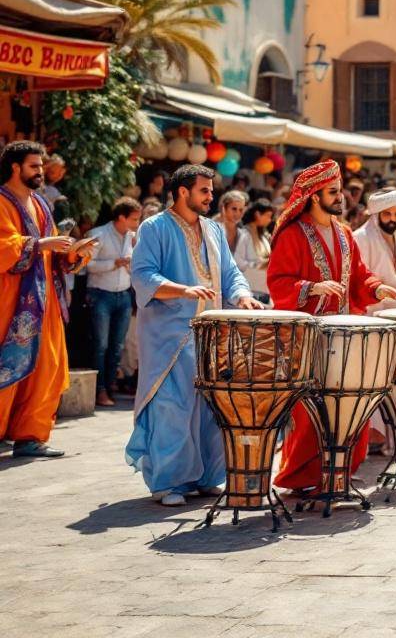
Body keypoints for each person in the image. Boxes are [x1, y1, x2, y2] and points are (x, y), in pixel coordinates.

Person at [127, 165, 263, 505]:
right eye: (204, 190)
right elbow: (143, 275)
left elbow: (230, 273)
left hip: (210, 334)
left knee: (209, 408)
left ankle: (204, 476)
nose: (210, 196)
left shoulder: (214, 230)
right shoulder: (154, 227)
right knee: (172, 407)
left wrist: (243, 295)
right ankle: (168, 483)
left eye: (211, 191)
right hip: (169, 334)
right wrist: (182, 290)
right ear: (183, 192)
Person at [267, 161, 396, 494]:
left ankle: (340, 468)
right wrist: (312, 288)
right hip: (310, 335)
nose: (340, 197)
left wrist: (377, 288)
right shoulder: (292, 234)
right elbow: (278, 282)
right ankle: (303, 475)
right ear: (313, 196)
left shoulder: (343, 233)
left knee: (350, 401)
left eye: (339, 191)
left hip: (345, 334)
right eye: (333, 192)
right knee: (311, 411)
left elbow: (358, 273)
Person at [0, 141, 94, 458]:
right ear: (15, 167)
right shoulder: (1, 201)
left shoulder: (41, 204)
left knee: (48, 367)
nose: (41, 172)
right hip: (10, 300)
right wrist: (39, 244)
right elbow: (4, 247)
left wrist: (74, 255)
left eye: (41, 167)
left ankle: (30, 436)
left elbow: (53, 254)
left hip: (45, 301)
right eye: (34, 166)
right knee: (6, 365)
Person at [86, 197, 142, 406]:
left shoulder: (133, 238)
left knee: (117, 346)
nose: (137, 224)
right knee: (101, 345)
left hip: (124, 295)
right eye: (134, 219)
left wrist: (128, 265)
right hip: (101, 294)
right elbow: (87, 265)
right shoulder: (98, 234)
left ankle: (109, 388)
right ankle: (100, 390)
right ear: (121, 217)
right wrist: (114, 263)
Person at [233, 198, 273, 305]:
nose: (270, 220)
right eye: (268, 216)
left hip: (264, 287)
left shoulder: (264, 236)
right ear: (257, 214)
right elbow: (237, 261)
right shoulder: (244, 234)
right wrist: (259, 265)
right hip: (250, 287)